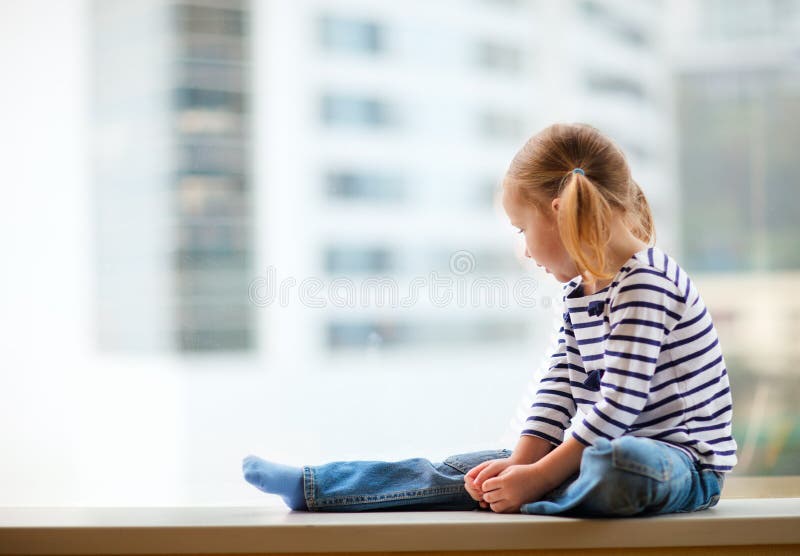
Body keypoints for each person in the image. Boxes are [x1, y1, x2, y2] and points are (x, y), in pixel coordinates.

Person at [242, 123, 736, 516]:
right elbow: (559, 386)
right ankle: (318, 487)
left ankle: (536, 495)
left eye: (523, 228)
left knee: (617, 465)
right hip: (591, 450)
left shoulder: (647, 282)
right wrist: (520, 464)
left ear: (562, 213)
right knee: (467, 470)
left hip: (682, 466)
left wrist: (541, 475)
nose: (523, 249)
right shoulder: (579, 292)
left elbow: (619, 404)